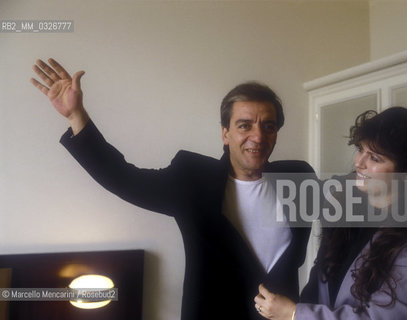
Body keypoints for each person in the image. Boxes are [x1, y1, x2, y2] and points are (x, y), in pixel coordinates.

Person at [30, 58, 313, 320]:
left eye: (269, 126)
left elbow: (348, 217)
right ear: (225, 134)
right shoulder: (192, 180)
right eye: (245, 125)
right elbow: (123, 178)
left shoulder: (299, 178)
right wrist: (77, 116)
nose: (258, 136)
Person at [254, 107, 407, 320]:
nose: (359, 163)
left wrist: (293, 314)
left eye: (375, 158)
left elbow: (384, 316)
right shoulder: (346, 209)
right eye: (360, 149)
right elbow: (319, 280)